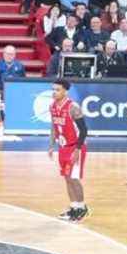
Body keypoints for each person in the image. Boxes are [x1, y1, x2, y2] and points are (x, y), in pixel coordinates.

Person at [48, 79, 89, 222]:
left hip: (75, 146)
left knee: (73, 178)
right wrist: (51, 145)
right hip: (62, 147)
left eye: (57, 90)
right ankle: (73, 207)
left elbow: (84, 130)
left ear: (65, 91)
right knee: (67, 178)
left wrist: (77, 149)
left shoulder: (73, 107)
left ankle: (82, 208)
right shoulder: (52, 106)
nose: (54, 92)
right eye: (53, 89)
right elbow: (54, 126)